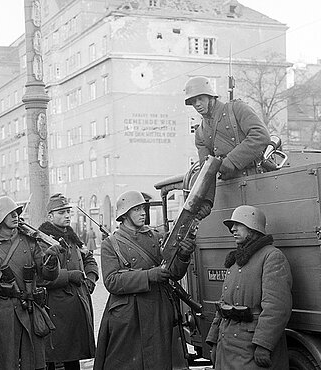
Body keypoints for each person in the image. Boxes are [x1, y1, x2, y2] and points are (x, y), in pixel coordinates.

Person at [94, 191, 196, 370]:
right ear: (124, 214)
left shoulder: (156, 237)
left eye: (143, 208)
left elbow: (172, 273)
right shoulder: (111, 243)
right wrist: (149, 275)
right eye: (136, 209)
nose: (143, 213)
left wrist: (183, 255)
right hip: (128, 317)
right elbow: (111, 281)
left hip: (157, 312)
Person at [0, 196, 60, 370]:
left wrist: (51, 259)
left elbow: (47, 276)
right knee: (4, 364)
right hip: (3, 317)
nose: (15, 216)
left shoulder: (30, 242)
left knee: (33, 364)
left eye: (16, 212)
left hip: (30, 312)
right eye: (10, 213)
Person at [206, 205, 292, 369]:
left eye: (239, 224)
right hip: (228, 343)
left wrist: (264, 345)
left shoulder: (271, 257)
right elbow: (223, 303)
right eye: (232, 226)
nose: (233, 229)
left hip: (250, 347)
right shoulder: (237, 259)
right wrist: (214, 339)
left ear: (253, 228)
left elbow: (277, 307)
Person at [184, 76, 271, 219]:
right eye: (193, 102)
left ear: (211, 96)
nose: (197, 104)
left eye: (200, 99)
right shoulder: (200, 133)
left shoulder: (236, 109)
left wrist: (230, 161)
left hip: (255, 180)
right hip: (229, 188)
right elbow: (207, 169)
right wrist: (206, 201)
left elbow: (261, 135)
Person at [38, 193, 99, 370]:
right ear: (50, 216)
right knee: (56, 358)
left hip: (78, 304)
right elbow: (41, 277)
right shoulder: (42, 241)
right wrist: (70, 275)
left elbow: (89, 259)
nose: (66, 216)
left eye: (68, 212)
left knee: (74, 357)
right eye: (61, 212)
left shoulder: (73, 238)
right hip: (56, 307)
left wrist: (91, 279)